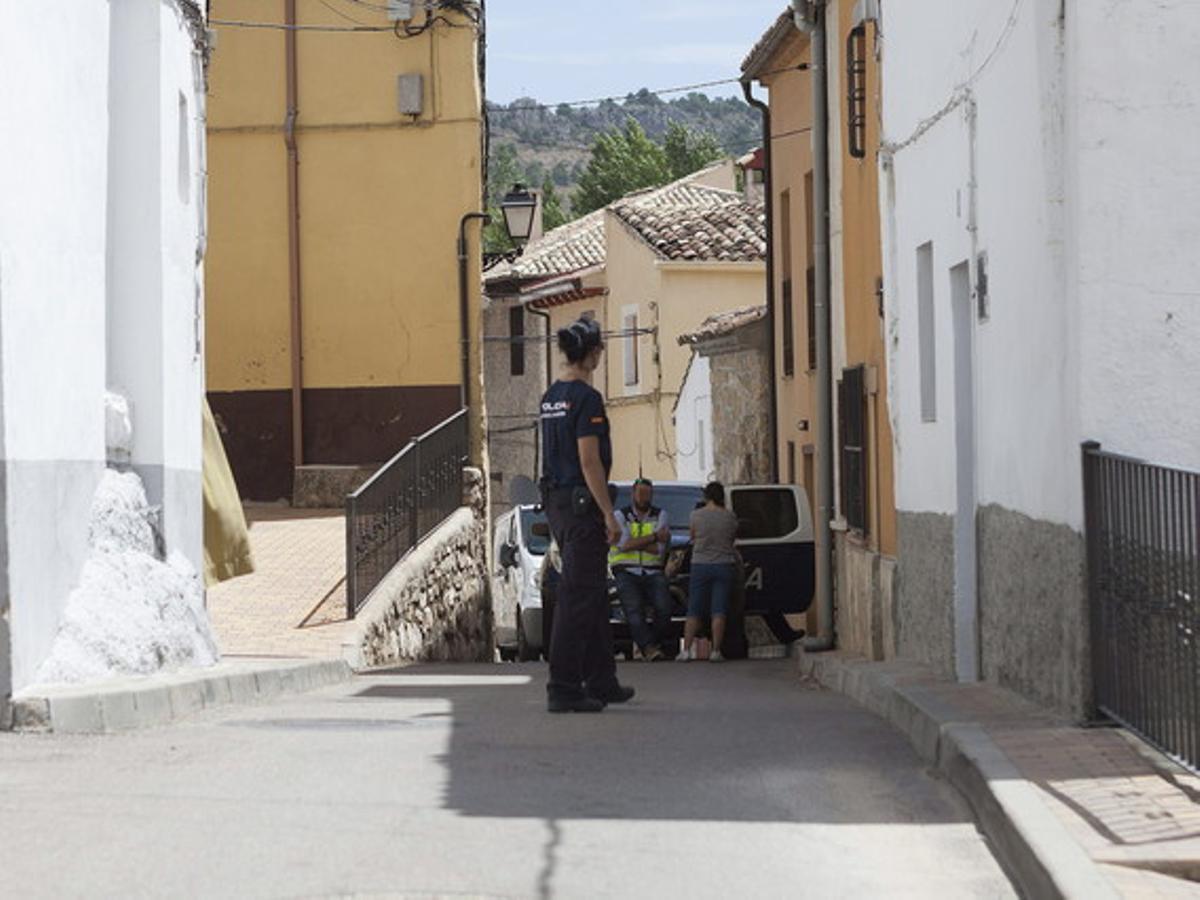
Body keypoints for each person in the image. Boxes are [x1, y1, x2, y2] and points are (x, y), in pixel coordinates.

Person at [539, 317, 635, 713]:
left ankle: (601, 679)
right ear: (593, 354)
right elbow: (589, 460)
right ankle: (563, 686)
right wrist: (609, 513)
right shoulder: (586, 399)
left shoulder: (551, 396)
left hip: (557, 501)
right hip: (582, 505)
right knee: (577, 595)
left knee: (593, 592)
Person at [609, 478, 672, 662]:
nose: (644, 497)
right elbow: (623, 545)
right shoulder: (620, 516)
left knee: (665, 609)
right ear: (633, 494)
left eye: (648, 494)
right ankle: (649, 648)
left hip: (653, 571)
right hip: (626, 571)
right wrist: (653, 537)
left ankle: (652, 643)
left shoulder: (661, 515)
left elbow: (659, 549)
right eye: (641, 493)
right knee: (633, 610)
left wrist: (634, 543)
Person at [679, 481, 739, 663]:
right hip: (723, 564)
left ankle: (686, 650)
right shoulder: (730, 517)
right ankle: (716, 651)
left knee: (694, 609)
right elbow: (732, 539)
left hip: (700, 565)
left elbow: (692, 537)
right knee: (718, 610)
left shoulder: (695, 515)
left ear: (706, 496)